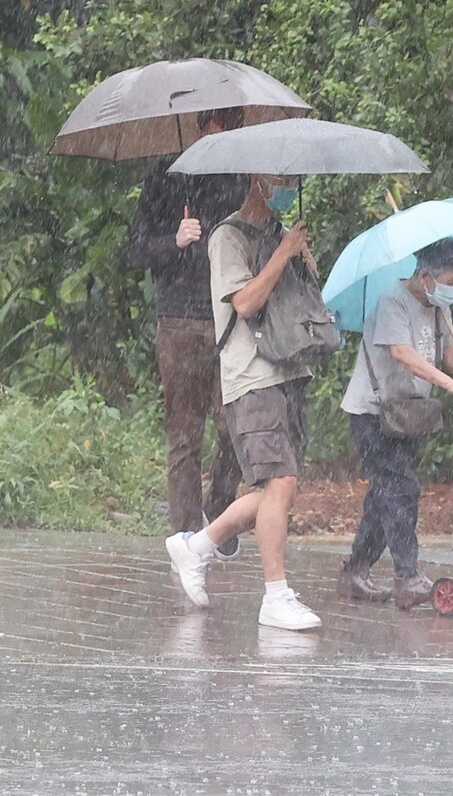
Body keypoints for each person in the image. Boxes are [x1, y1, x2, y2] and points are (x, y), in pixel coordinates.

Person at [163, 173, 321, 631]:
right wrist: (282, 255)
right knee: (280, 481)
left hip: (290, 371)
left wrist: (301, 261)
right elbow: (246, 302)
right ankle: (275, 595)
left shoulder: (278, 235)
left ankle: (196, 547)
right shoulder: (226, 236)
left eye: (295, 179)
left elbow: (296, 306)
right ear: (258, 180)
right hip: (251, 377)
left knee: (278, 489)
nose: (289, 185)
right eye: (282, 178)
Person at [337, 238, 453, 610]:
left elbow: (452, 356)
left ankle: (356, 571)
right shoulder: (392, 302)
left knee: (385, 494)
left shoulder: (437, 308)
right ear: (427, 275)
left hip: (407, 416)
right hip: (373, 413)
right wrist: (452, 386)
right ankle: (407, 576)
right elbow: (404, 354)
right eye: (452, 279)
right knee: (401, 488)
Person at [126, 108, 247, 536]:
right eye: (221, 128)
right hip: (179, 321)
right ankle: (184, 537)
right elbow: (136, 250)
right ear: (201, 127)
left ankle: (217, 508)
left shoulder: (242, 181)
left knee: (233, 426)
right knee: (184, 436)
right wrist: (174, 241)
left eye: (236, 128)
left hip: (232, 319)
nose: (229, 137)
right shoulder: (165, 176)